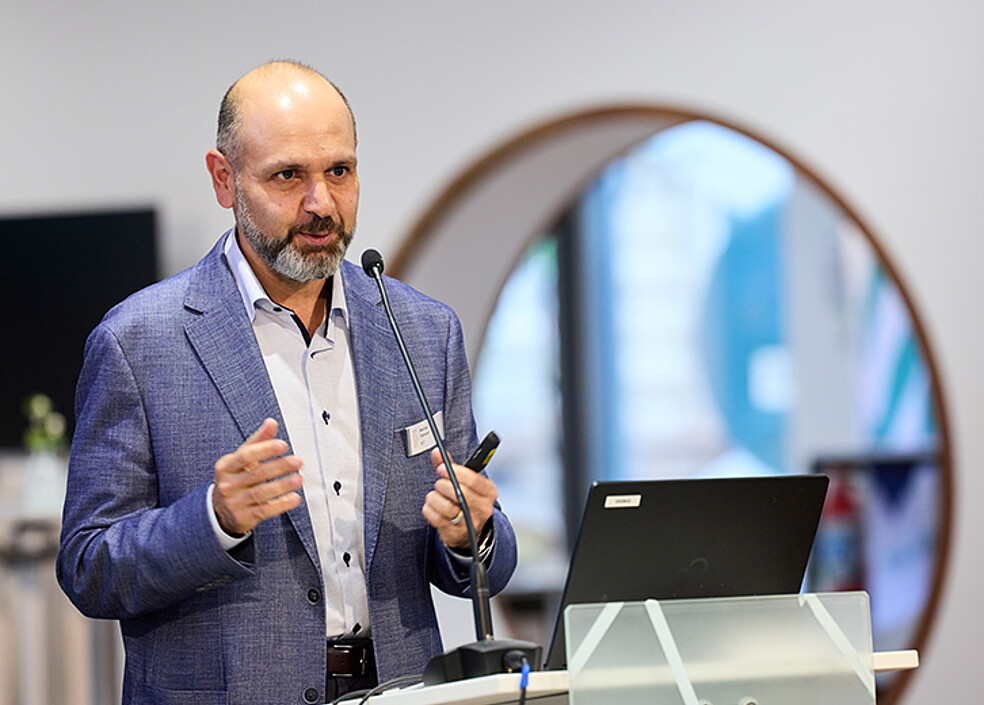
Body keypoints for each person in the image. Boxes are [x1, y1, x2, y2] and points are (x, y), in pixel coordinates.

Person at [56, 60, 517, 705]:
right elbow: (88, 565)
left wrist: (473, 534)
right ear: (224, 180)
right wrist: (214, 518)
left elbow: (484, 555)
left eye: (339, 171)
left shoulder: (423, 332)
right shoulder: (139, 341)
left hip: (402, 688)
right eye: (287, 176)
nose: (320, 204)